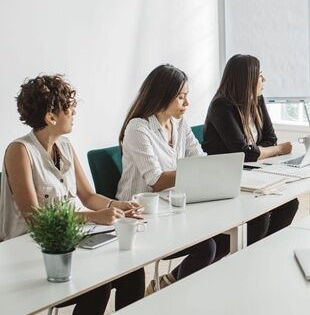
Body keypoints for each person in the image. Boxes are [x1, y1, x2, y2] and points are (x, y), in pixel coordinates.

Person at [0, 75, 144, 314]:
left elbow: (88, 196)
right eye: (69, 107)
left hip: (72, 241)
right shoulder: (20, 151)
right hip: (34, 254)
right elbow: (36, 220)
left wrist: (119, 205)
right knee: (99, 285)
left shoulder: (65, 145)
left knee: (133, 271)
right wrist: (93, 217)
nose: (74, 112)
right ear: (51, 116)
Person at [117, 64, 218, 294]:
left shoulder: (179, 123)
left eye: (186, 96)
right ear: (162, 96)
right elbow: (156, 180)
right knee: (207, 247)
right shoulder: (138, 128)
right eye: (180, 97)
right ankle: (174, 296)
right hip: (141, 215)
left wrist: (206, 168)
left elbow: (199, 157)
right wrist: (197, 169)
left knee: (224, 237)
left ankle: (170, 284)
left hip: (172, 209)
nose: (187, 103)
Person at [203, 54, 298, 246]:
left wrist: (261, 150)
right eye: (260, 75)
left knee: (290, 203)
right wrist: (279, 149)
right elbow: (246, 153)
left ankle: (265, 253)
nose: (264, 80)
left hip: (253, 174)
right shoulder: (221, 106)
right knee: (259, 218)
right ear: (246, 79)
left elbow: (270, 138)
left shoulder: (256, 100)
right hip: (226, 179)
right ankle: (247, 262)